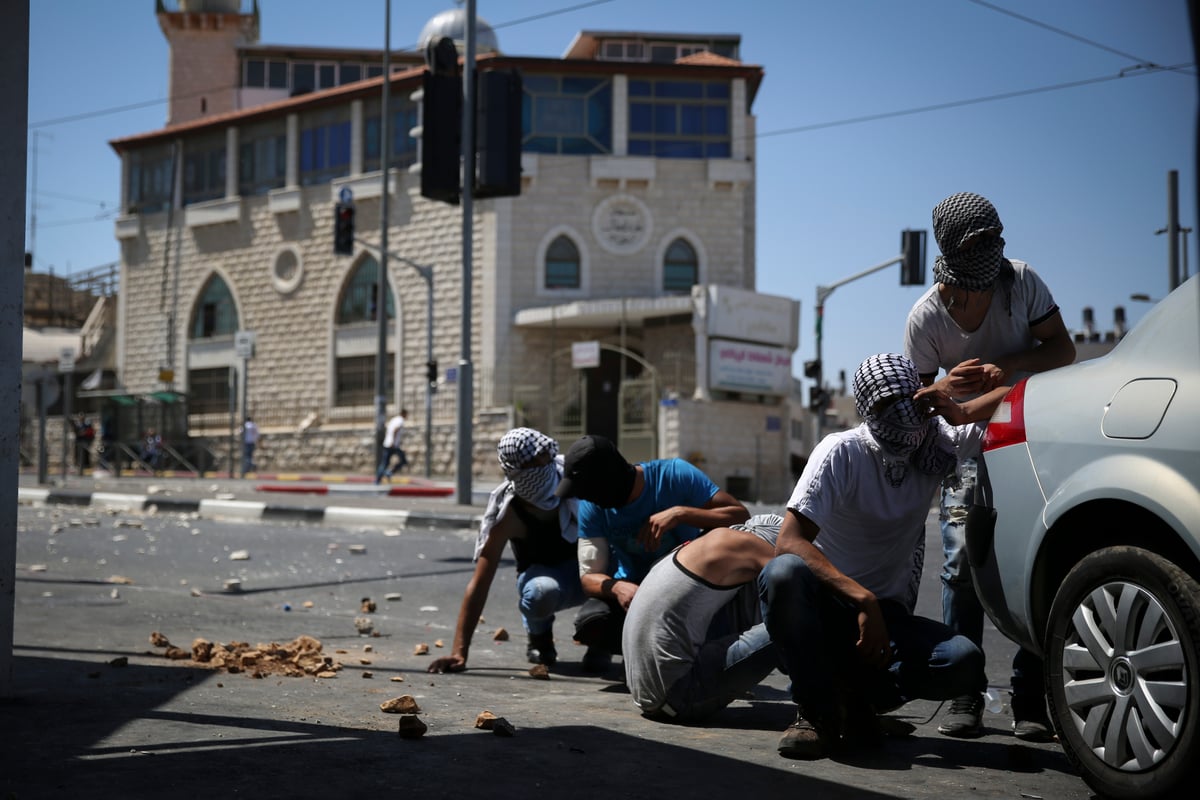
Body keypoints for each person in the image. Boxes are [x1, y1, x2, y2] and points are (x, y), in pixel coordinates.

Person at [759, 353, 1001, 760]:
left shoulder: (936, 445)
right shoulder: (842, 451)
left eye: (911, 399)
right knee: (782, 575)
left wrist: (964, 401)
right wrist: (861, 599)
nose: (904, 413)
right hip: (829, 607)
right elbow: (790, 541)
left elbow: (1018, 397)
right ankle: (814, 712)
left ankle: (857, 702)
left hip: (887, 619)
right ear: (868, 409)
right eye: (889, 404)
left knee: (964, 661)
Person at [904, 191, 1076, 741]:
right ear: (949, 269)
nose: (982, 284)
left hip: (1030, 443)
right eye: (972, 274)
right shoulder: (926, 318)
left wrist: (1010, 367)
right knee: (959, 567)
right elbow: (912, 405)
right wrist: (944, 387)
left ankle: (1031, 699)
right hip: (964, 453)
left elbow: (1063, 350)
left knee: (1030, 563)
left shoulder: (1022, 283)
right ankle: (963, 695)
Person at [554, 435, 750, 673]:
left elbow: (740, 515)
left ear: (608, 482)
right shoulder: (591, 508)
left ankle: (684, 648)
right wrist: (617, 587)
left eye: (589, 491)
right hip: (633, 594)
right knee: (591, 622)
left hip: (683, 589)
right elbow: (589, 578)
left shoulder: (675, 475)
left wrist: (680, 514)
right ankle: (632, 647)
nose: (585, 498)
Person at [428, 428, 584, 673]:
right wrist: (459, 652)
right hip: (546, 579)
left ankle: (602, 640)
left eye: (545, 453)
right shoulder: (509, 514)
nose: (546, 460)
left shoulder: (575, 482)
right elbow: (480, 583)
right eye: (536, 458)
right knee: (540, 593)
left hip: (591, 573)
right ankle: (539, 635)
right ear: (519, 470)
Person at [623, 513, 784, 723]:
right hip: (680, 695)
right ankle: (821, 707)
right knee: (796, 619)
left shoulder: (700, 547)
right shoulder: (746, 545)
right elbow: (798, 580)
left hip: (647, 696)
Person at [375, 409, 409, 484]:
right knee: (403, 461)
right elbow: (395, 430)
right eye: (407, 415)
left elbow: (388, 431)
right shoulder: (400, 420)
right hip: (393, 445)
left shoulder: (394, 419)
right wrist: (393, 442)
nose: (407, 417)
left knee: (385, 463)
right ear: (404, 414)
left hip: (388, 444)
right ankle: (388, 473)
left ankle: (378, 479)